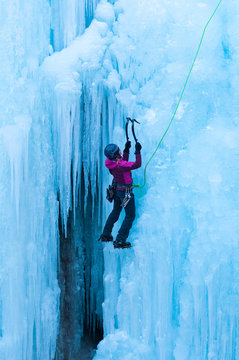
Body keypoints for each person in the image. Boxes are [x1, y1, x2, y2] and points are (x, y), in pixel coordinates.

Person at [99, 140, 142, 248]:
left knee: (115, 212)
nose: (120, 150)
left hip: (117, 190)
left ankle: (106, 234)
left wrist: (126, 150)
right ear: (116, 154)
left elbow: (123, 164)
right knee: (130, 215)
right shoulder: (121, 165)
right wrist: (138, 152)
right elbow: (137, 164)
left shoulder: (111, 163)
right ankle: (120, 240)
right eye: (118, 150)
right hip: (125, 193)